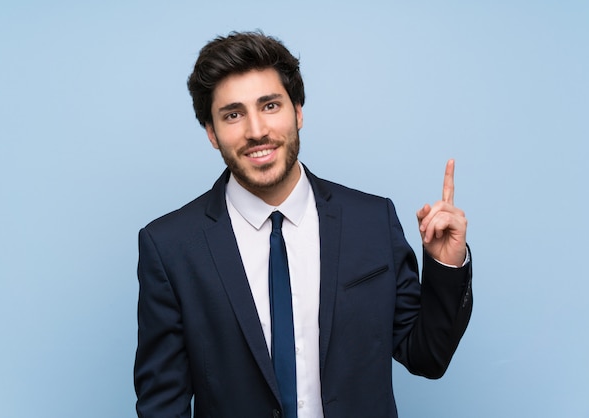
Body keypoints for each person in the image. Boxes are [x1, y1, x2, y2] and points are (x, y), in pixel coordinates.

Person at [134, 31, 472, 418]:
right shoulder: (170, 247)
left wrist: (447, 266)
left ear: (298, 111)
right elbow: (163, 404)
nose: (256, 130)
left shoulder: (371, 221)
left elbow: (426, 355)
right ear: (212, 132)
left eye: (270, 105)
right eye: (232, 114)